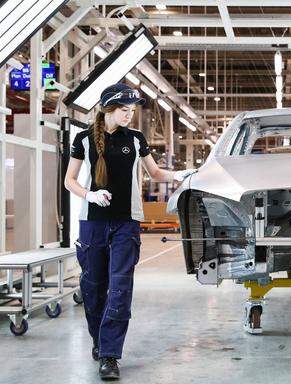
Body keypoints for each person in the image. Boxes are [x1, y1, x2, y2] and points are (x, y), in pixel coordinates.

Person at [64, 83, 195, 380]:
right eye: (125, 110)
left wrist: (179, 175)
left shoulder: (135, 139)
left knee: (120, 288)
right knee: (93, 289)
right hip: (92, 224)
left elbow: (156, 173)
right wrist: (89, 195)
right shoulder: (84, 139)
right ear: (109, 109)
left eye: (132, 111)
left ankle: (110, 355)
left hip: (127, 222)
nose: (129, 116)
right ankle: (99, 340)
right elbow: (69, 180)